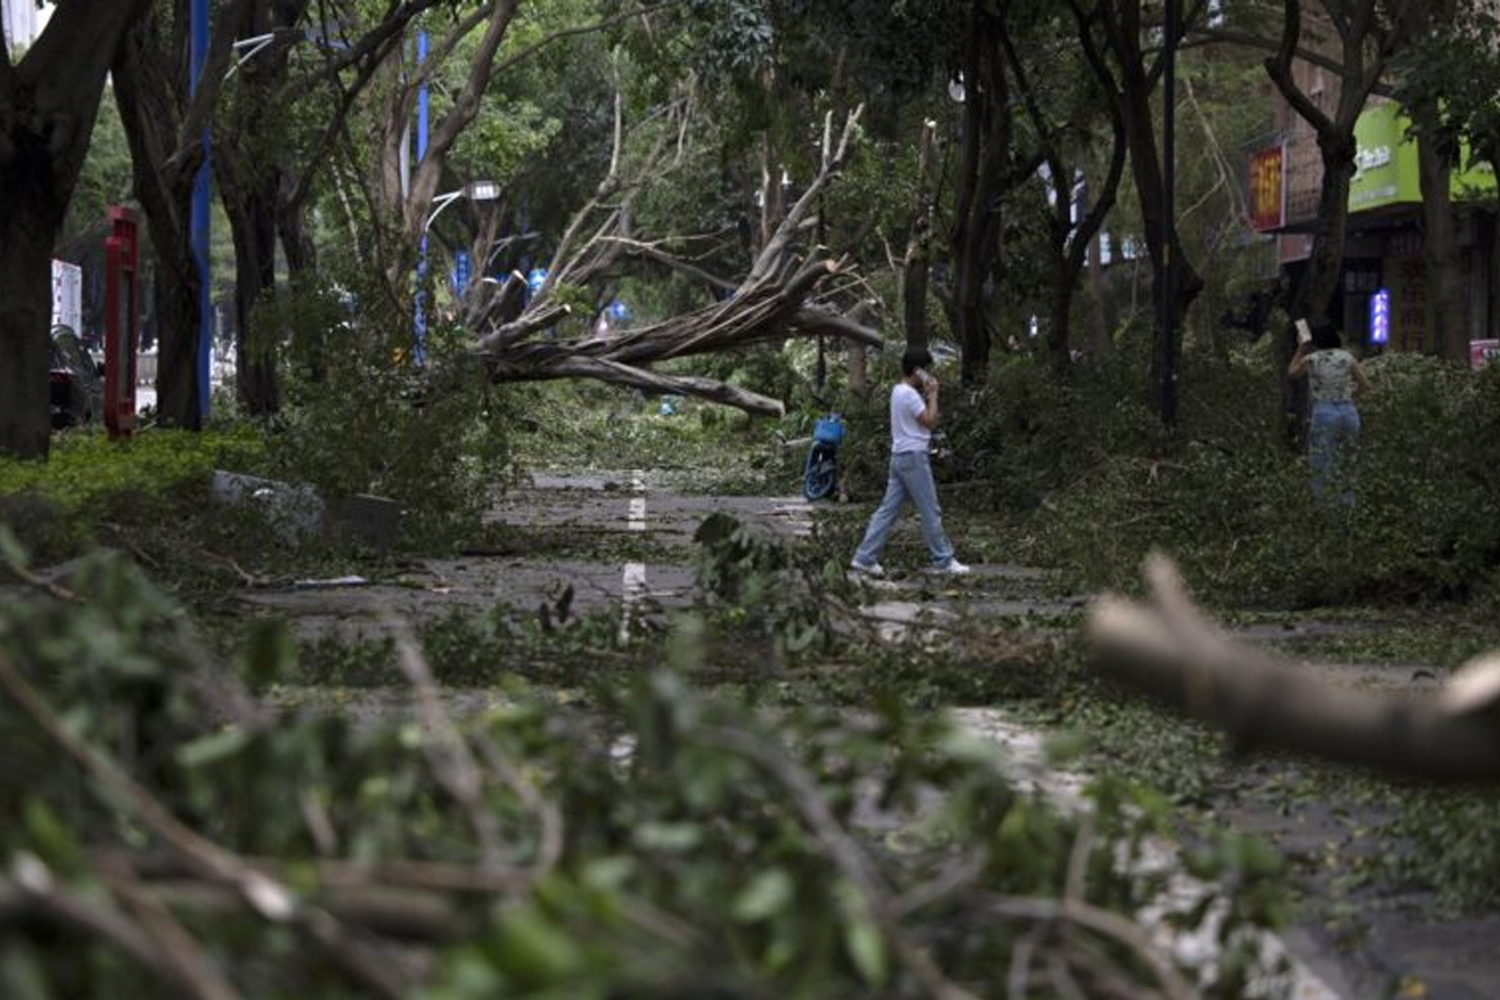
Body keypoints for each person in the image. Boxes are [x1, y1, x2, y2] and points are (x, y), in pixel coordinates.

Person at [850, 346, 970, 576]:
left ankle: (864, 557)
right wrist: (933, 395)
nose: (929, 374)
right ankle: (944, 560)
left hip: (899, 457)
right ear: (917, 370)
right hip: (914, 457)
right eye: (926, 369)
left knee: (887, 511)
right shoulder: (909, 394)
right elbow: (930, 421)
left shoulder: (897, 391)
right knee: (930, 510)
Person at [1289, 317, 1371, 506]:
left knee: (1322, 462)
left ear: (1315, 341)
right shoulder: (1347, 357)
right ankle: (1348, 505)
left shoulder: (1313, 359)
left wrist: (1301, 348)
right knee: (1348, 460)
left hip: (1324, 413)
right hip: (1349, 413)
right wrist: (1348, 397)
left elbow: (1292, 373)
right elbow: (1366, 385)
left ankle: (1325, 506)